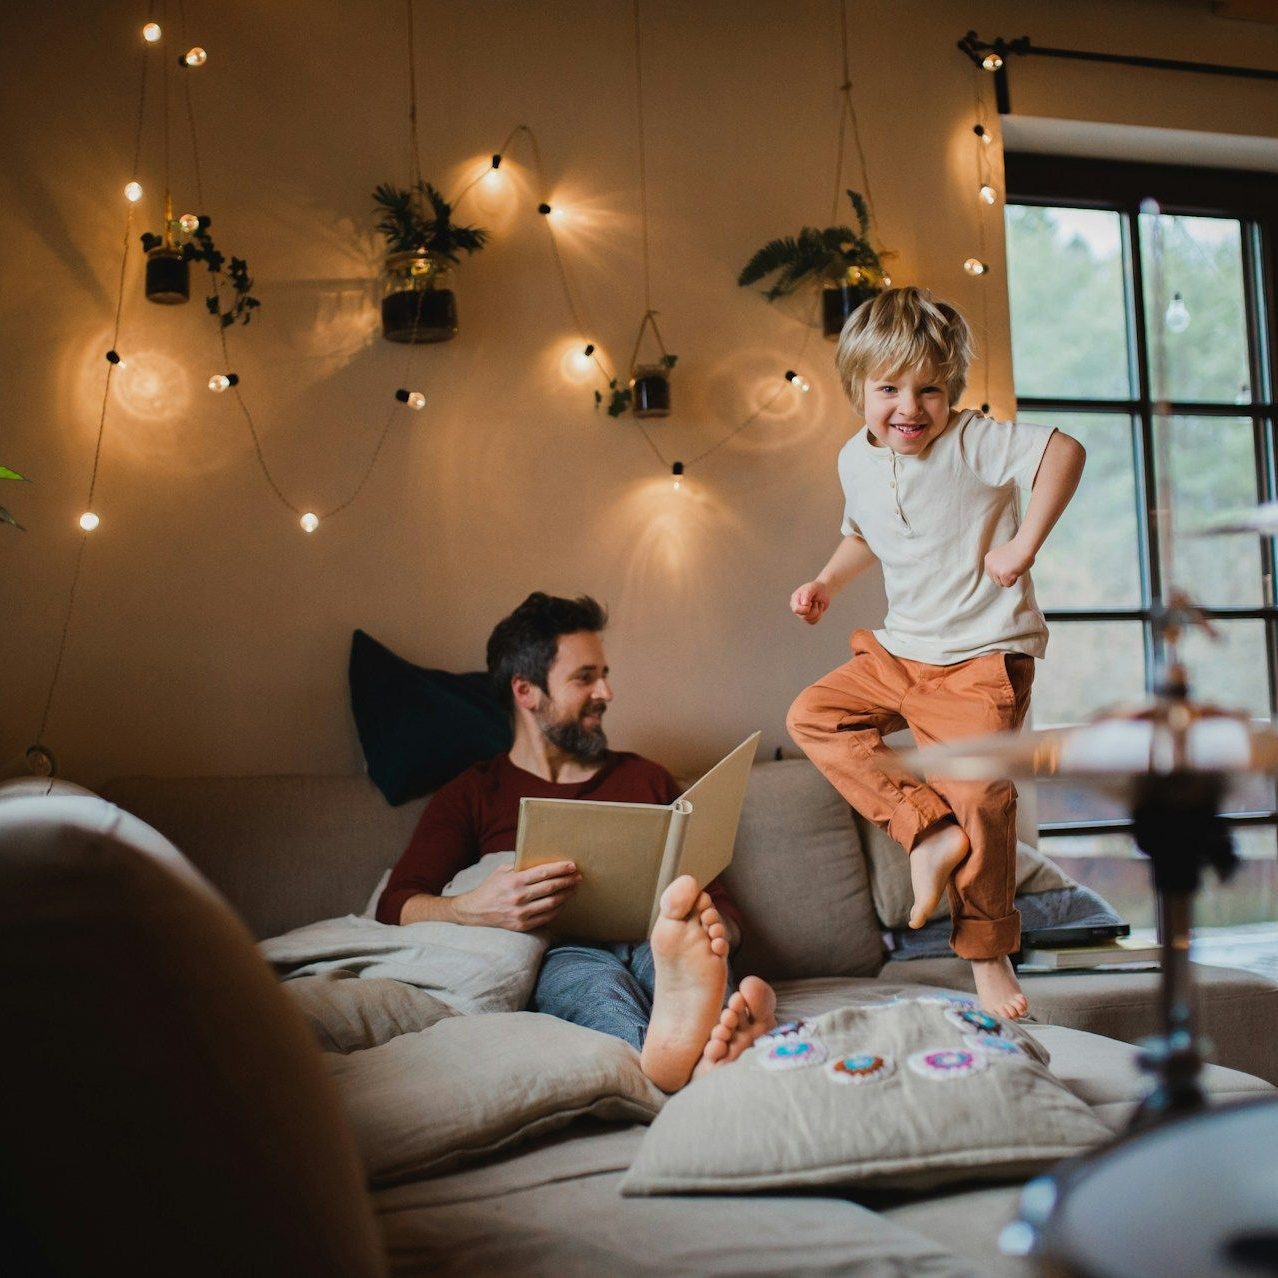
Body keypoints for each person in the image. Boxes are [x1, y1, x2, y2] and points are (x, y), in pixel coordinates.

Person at [786, 286, 1086, 1020]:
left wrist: (1022, 544)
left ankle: (988, 958)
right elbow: (865, 533)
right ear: (857, 388)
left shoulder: (973, 440)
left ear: (952, 391)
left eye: (931, 389)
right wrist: (827, 580)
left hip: (981, 657)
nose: (909, 408)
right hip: (902, 651)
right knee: (814, 716)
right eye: (888, 389)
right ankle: (928, 833)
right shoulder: (855, 459)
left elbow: (1064, 452)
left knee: (982, 796)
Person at [376, 591, 776, 1092]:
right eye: (585, 678)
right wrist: (471, 909)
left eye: (604, 675)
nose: (606, 692)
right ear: (527, 691)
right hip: (561, 951)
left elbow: (720, 904)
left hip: (657, 938)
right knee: (590, 984)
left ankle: (693, 1050)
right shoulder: (474, 792)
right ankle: (697, 1064)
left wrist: (715, 929)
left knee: (677, 954)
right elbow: (394, 904)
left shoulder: (647, 779)